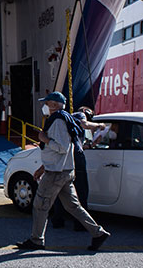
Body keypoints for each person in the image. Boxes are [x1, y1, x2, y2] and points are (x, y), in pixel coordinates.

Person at [16, 92, 110, 252]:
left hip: (55, 172)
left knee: (40, 205)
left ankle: (36, 240)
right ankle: (98, 233)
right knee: (73, 206)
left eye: (46, 103)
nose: (44, 106)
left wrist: (45, 139)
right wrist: (41, 168)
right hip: (66, 170)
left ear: (53, 104)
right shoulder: (66, 118)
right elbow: (82, 129)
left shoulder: (58, 121)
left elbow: (61, 147)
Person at [50, 106, 107, 230]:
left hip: (65, 156)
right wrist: (100, 125)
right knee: (81, 191)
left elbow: (79, 143)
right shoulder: (79, 116)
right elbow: (84, 124)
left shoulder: (66, 122)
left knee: (62, 190)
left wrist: (92, 144)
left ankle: (58, 219)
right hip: (77, 158)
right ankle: (80, 223)